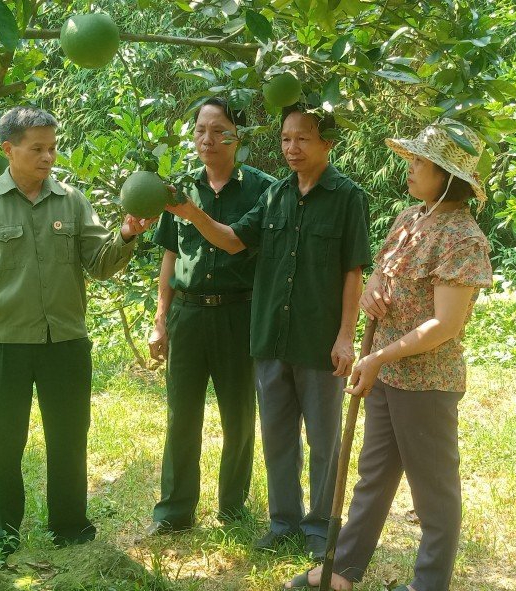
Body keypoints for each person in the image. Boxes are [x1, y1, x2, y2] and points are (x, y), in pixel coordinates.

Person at [285, 120, 493, 591]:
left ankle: (429, 584)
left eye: (421, 162)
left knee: (433, 491)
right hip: (387, 374)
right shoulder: (410, 219)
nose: (411, 167)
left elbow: (446, 325)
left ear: (447, 175)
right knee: (373, 475)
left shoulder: (462, 237)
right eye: (414, 158)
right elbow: (381, 273)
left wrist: (380, 357)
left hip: (426, 381)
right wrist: (373, 291)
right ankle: (343, 568)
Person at [164, 103, 371, 560]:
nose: (291, 148)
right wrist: (188, 212)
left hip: (318, 339)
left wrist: (345, 336)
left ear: (327, 144)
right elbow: (233, 239)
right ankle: (284, 522)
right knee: (277, 436)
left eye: (303, 139)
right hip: (270, 336)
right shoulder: (274, 195)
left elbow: (353, 271)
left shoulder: (347, 197)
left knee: (323, 439)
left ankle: (320, 527)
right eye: (285, 139)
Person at [0, 106, 155, 557]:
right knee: (2, 447)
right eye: (37, 148)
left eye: (52, 148)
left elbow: (99, 265)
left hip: (65, 342)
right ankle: (2, 536)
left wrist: (125, 235)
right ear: (9, 149)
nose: (48, 157)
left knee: (69, 439)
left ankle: (71, 529)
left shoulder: (72, 202)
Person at [146, 97, 276, 534]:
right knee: (181, 414)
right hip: (188, 314)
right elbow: (170, 255)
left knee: (239, 415)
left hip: (240, 314)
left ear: (238, 137)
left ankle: (233, 508)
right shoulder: (179, 188)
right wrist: (160, 318)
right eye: (201, 129)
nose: (208, 139)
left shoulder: (264, 189)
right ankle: (174, 512)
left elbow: (247, 247)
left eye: (219, 129)